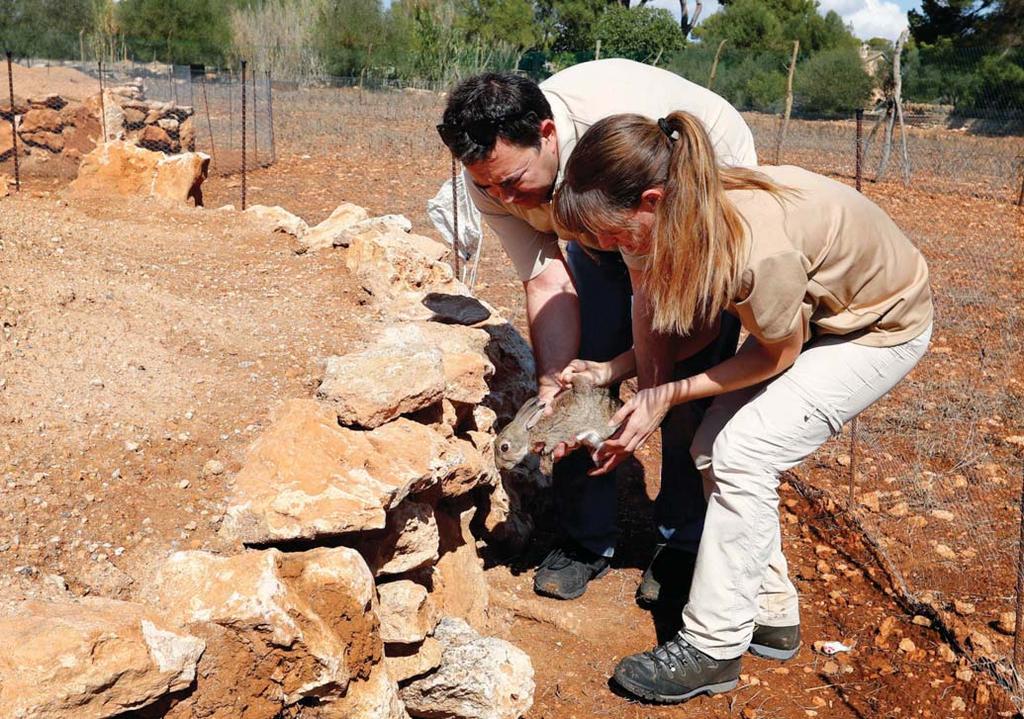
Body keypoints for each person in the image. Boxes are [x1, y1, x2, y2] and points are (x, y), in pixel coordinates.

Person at [551, 111, 933, 703]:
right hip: (813, 317)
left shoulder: (751, 249)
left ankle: (712, 647)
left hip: (877, 325)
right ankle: (772, 610)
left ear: (651, 200)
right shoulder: (659, 218)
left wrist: (669, 394)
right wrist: (621, 376)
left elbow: (776, 353)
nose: (607, 249)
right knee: (712, 447)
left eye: (613, 234)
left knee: (741, 450)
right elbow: (655, 319)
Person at [437, 59, 756, 605]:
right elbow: (543, 277)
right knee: (581, 378)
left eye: (513, 182)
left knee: (687, 381)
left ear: (547, 134)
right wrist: (552, 383)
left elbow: (658, 301)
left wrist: (654, 394)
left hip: (689, 211)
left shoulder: (612, 140)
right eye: (486, 185)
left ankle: (682, 542)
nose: (503, 198)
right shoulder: (493, 177)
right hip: (601, 221)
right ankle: (586, 540)